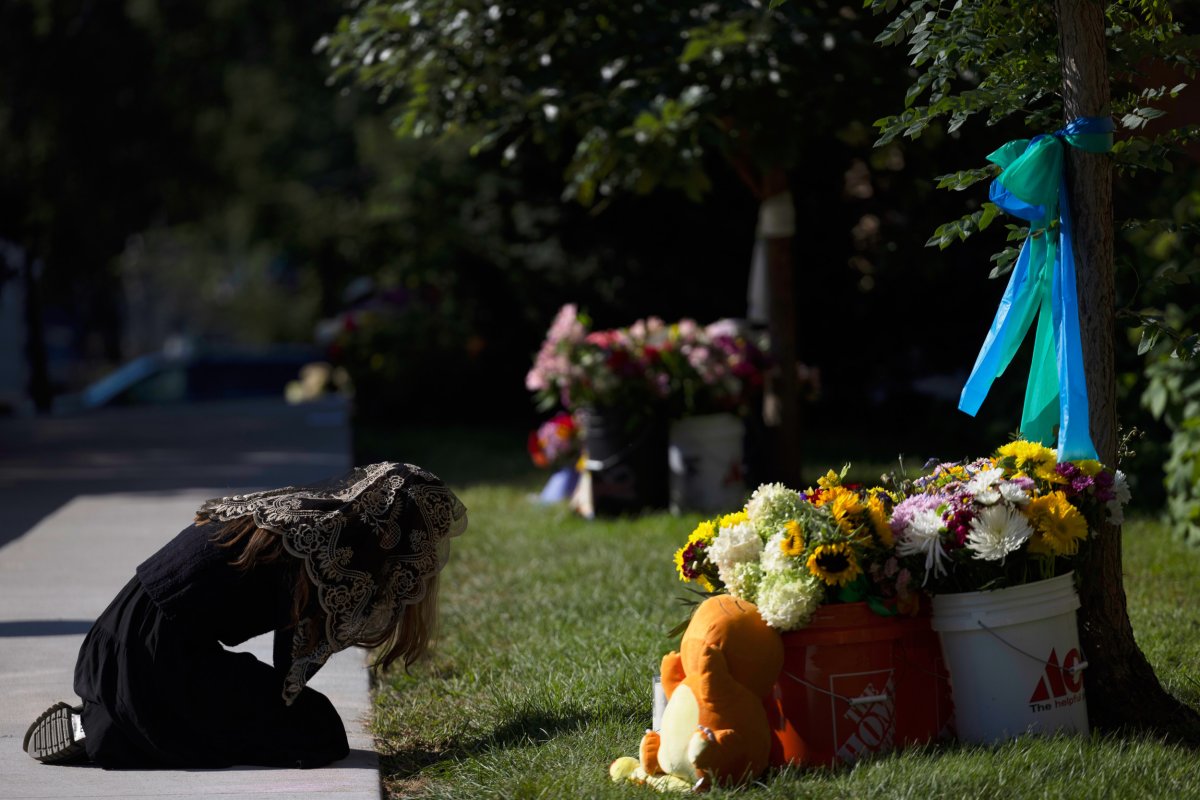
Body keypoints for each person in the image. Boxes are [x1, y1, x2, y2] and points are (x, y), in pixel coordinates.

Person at [23, 462, 467, 769]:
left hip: (119, 637)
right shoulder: (325, 554)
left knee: (270, 713)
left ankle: (113, 710)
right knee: (317, 730)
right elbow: (291, 666)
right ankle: (106, 729)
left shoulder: (303, 515)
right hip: (153, 658)